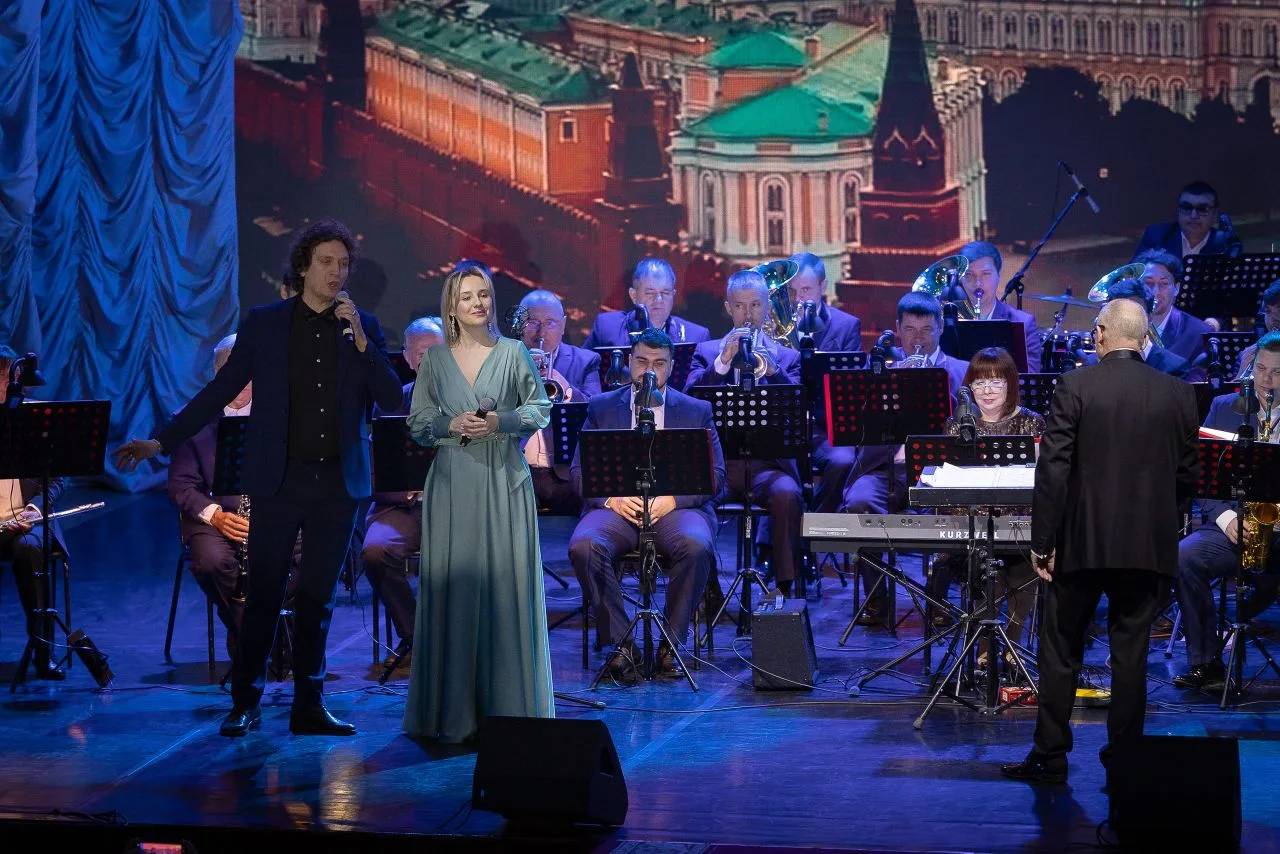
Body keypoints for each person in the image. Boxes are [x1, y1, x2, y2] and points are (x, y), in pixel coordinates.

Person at [114, 219, 404, 738]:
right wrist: (161, 440)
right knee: (265, 593)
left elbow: (390, 397)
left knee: (317, 598)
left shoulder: (363, 327)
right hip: (279, 480)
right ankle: (245, 701)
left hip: (339, 483)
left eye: (343, 264)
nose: (337, 272)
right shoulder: (266, 323)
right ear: (303, 267)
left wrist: (363, 343)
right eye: (326, 262)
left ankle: (309, 704)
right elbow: (220, 389)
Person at [1002, 299, 1199, 784]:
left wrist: (1042, 541)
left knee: (1060, 650)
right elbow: (1187, 476)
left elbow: (1054, 470)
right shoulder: (1178, 393)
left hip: (1081, 544)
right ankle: (1126, 764)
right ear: (1145, 337)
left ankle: (1050, 756)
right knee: (1131, 655)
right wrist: (1164, 527)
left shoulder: (1076, 384)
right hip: (1147, 548)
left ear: (1101, 334)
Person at [402, 267, 554, 744]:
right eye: (467, 296)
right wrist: (450, 425)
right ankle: (452, 714)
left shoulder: (513, 353)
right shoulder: (435, 360)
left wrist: (499, 422)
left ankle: (511, 710)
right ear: (452, 305)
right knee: (456, 592)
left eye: (484, 294)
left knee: (506, 592)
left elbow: (540, 408)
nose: (478, 303)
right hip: (452, 485)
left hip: (505, 480)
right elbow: (418, 423)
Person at [568, 328, 726, 679]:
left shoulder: (696, 410)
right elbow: (578, 473)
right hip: (617, 509)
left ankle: (671, 645)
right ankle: (622, 645)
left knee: (696, 545)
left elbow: (716, 475)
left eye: (658, 363)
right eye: (641, 362)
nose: (648, 370)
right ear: (629, 362)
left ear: (671, 366)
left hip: (677, 509)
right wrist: (612, 499)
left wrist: (672, 500)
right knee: (584, 546)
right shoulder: (601, 407)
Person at [843, 292, 968, 627]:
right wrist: (891, 381)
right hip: (883, 469)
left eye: (926, 330)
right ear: (897, 329)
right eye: (910, 330)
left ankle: (937, 599)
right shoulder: (879, 369)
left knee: (950, 511)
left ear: (940, 328)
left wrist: (932, 385)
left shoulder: (961, 371)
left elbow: (965, 430)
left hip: (936, 472)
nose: (918, 339)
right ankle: (877, 599)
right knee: (858, 502)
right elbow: (858, 425)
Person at [686, 270, 805, 596]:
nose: (748, 314)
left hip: (769, 466)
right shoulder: (706, 352)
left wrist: (773, 370)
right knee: (696, 498)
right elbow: (689, 403)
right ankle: (707, 588)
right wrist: (722, 363)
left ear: (767, 307)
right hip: (719, 466)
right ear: (728, 308)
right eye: (739, 306)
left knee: (788, 494)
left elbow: (798, 406)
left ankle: (783, 589)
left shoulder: (788, 357)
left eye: (755, 305)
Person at [1172, 332, 1280, 690]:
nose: (1266, 380)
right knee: (1184, 557)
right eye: (1260, 369)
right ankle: (1207, 662)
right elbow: (1200, 476)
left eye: (1277, 372)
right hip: (1234, 526)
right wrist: (1227, 518)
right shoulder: (1223, 407)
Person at [926, 348, 1044, 656]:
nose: (987, 391)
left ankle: (1012, 649)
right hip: (972, 528)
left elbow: (1044, 485)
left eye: (996, 382)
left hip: (1020, 526)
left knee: (1024, 565)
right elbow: (948, 489)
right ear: (969, 388)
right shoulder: (957, 426)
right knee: (984, 566)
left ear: (1010, 384)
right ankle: (983, 652)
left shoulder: (1032, 423)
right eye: (979, 383)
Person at [361, 317, 445, 668]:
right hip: (405, 506)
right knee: (376, 550)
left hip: (459, 506)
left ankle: (464, 639)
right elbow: (374, 470)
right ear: (409, 360)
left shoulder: (474, 401)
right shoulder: (390, 404)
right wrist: (405, 491)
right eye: (422, 354)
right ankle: (416, 636)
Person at [166, 334, 255, 659]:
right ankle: (255, 642)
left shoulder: (279, 415)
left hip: (268, 514)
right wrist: (215, 515)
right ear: (218, 375)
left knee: (306, 556)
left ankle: (264, 637)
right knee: (213, 563)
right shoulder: (191, 419)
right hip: (212, 518)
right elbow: (181, 485)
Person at [0, 345, 67, 680]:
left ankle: (43, 652)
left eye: (7, 377)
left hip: (27, 520)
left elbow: (56, 479)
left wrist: (33, 509)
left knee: (31, 550)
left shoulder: (36, 418)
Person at [519, 289, 601, 515]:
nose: (541, 332)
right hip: (516, 475)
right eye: (532, 322)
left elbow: (597, 411)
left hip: (564, 477)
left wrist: (562, 385)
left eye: (550, 323)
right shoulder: (502, 362)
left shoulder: (586, 361)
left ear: (563, 325)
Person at [583, 257, 710, 347]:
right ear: (633, 296)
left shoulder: (696, 337)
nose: (659, 300)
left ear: (673, 295)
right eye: (650, 293)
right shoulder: (606, 327)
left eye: (665, 293)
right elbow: (584, 372)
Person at [957, 241, 1042, 372]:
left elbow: (1030, 376)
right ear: (960, 279)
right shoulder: (945, 322)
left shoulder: (1024, 322)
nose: (978, 283)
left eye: (986, 274)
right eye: (969, 275)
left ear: (998, 276)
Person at [1133, 249, 1211, 363]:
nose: (1155, 292)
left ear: (1177, 288)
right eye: (1148, 283)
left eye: (1164, 283)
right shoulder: (1123, 327)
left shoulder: (1200, 333)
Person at [1135, 181, 1239, 259]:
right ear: (1178, 210)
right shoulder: (1157, 236)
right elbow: (1132, 276)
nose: (1193, 215)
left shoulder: (1224, 244)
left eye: (1202, 209)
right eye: (1187, 208)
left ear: (1215, 213)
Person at [785, 253, 862, 351]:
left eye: (805, 289)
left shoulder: (847, 327)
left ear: (823, 287)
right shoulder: (775, 325)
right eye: (791, 290)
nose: (796, 298)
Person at [1235, 280, 1280, 378]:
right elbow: (1235, 388)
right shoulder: (1248, 354)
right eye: (1268, 311)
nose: (1272, 319)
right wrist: (1242, 373)